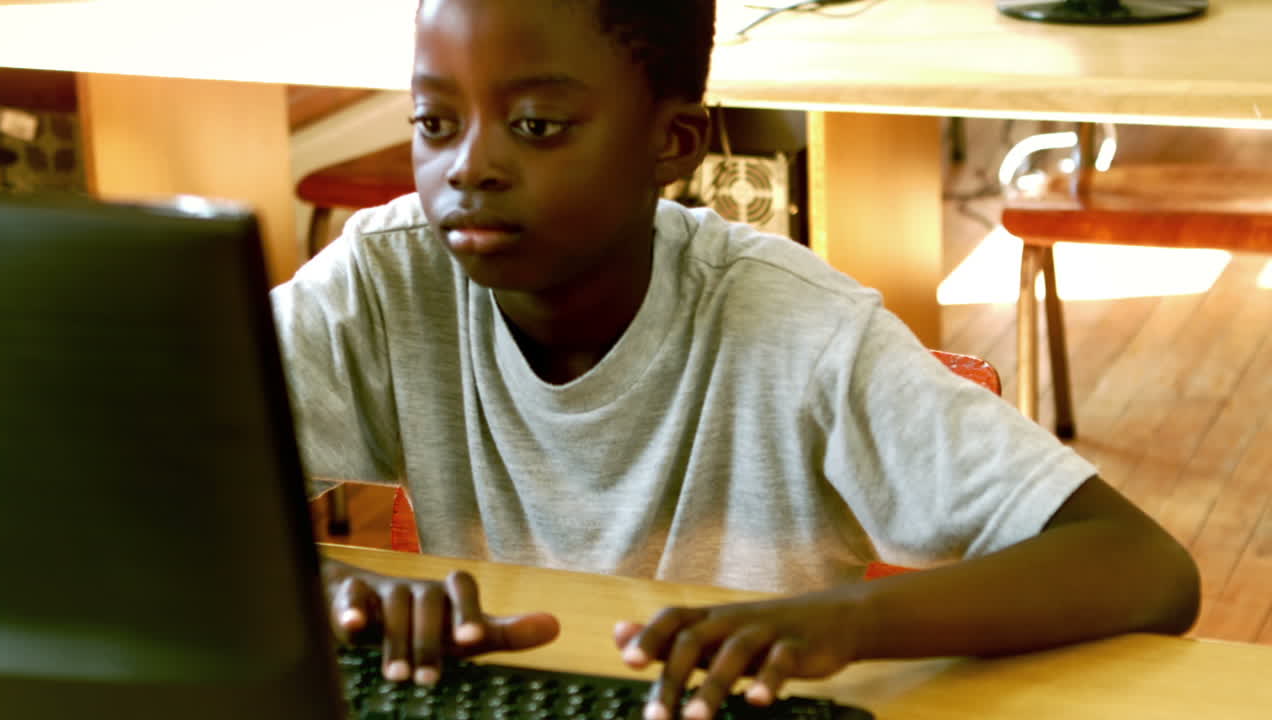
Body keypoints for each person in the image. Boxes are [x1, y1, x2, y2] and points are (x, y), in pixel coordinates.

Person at [270, 1, 1200, 719]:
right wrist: (337, 585)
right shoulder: (389, 278)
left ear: (671, 144)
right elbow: (139, 486)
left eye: (537, 125)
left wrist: (842, 626)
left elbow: (1141, 564)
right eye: (436, 124)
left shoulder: (798, 329)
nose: (469, 167)